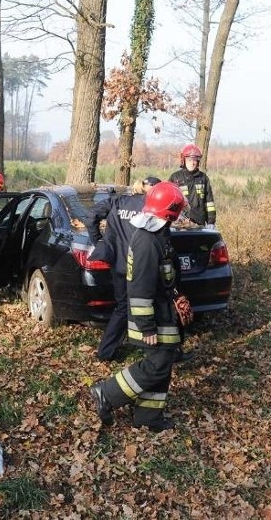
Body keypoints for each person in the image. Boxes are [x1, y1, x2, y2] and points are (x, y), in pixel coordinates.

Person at [88, 181, 187, 432]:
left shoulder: (157, 234)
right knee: (158, 364)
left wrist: (176, 294)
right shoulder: (147, 241)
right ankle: (107, 393)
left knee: (162, 363)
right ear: (168, 212)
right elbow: (140, 288)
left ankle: (148, 417)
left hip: (163, 312)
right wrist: (147, 327)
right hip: (151, 318)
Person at [85, 176, 160, 362]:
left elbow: (90, 217)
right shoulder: (150, 207)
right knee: (150, 305)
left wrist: (99, 242)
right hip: (141, 265)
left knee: (123, 307)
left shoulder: (118, 201)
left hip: (119, 264)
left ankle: (106, 351)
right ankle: (156, 350)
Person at [169, 143, 216, 228]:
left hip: (199, 223)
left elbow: (209, 202)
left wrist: (211, 222)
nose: (193, 163)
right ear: (183, 160)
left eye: (195, 160)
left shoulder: (203, 178)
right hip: (180, 224)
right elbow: (169, 201)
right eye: (189, 160)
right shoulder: (175, 177)